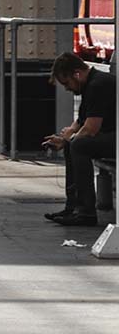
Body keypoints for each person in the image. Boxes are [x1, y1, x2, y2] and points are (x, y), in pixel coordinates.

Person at [42, 52, 117, 226]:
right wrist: (64, 138)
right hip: (113, 136)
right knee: (74, 144)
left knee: (79, 145)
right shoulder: (91, 83)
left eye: (67, 83)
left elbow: (91, 129)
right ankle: (74, 207)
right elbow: (81, 120)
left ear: (77, 73)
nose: (67, 88)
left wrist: (70, 138)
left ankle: (85, 212)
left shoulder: (98, 85)